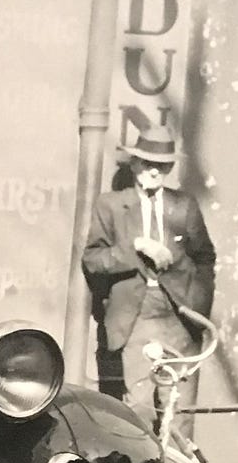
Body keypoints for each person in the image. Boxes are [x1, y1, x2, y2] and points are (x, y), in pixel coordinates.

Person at [82, 123, 216, 441]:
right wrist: (135, 248)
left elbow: (206, 258)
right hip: (135, 318)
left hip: (179, 319)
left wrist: (197, 306)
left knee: (179, 414)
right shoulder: (110, 205)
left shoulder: (184, 206)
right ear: (134, 163)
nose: (154, 171)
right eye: (147, 163)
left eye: (162, 165)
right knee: (137, 412)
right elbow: (92, 260)